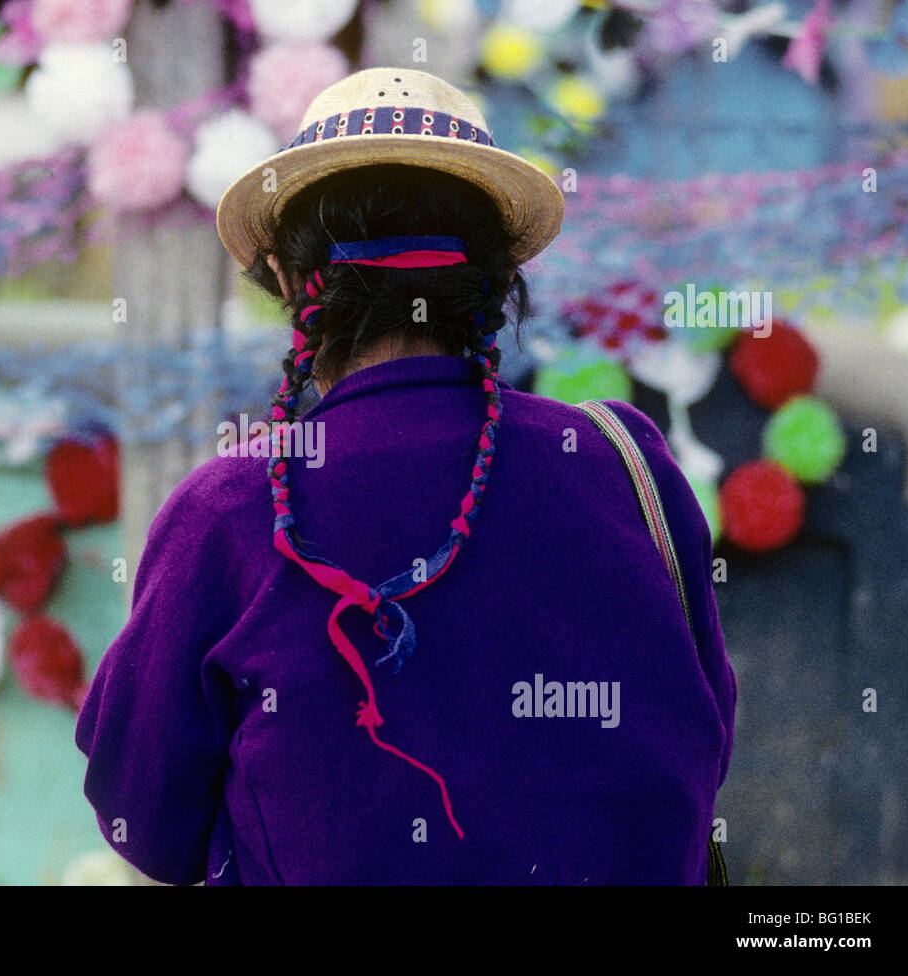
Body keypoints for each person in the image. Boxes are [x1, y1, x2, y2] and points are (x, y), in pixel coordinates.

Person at [75, 67, 736, 885]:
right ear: (494, 283)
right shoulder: (624, 464)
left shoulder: (232, 509)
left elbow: (146, 823)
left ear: (286, 278)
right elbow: (705, 746)